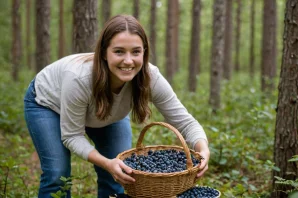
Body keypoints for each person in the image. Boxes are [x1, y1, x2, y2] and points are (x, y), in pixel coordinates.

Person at [24, 14, 210, 198]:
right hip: (48, 104)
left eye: (136, 52)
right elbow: (72, 135)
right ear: (104, 52)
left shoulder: (150, 77)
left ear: (144, 52)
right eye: (119, 51)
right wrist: (106, 162)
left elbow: (185, 122)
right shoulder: (79, 79)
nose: (128, 61)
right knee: (57, 175)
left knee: (121, 175)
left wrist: (203, 149)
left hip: (106, 114)